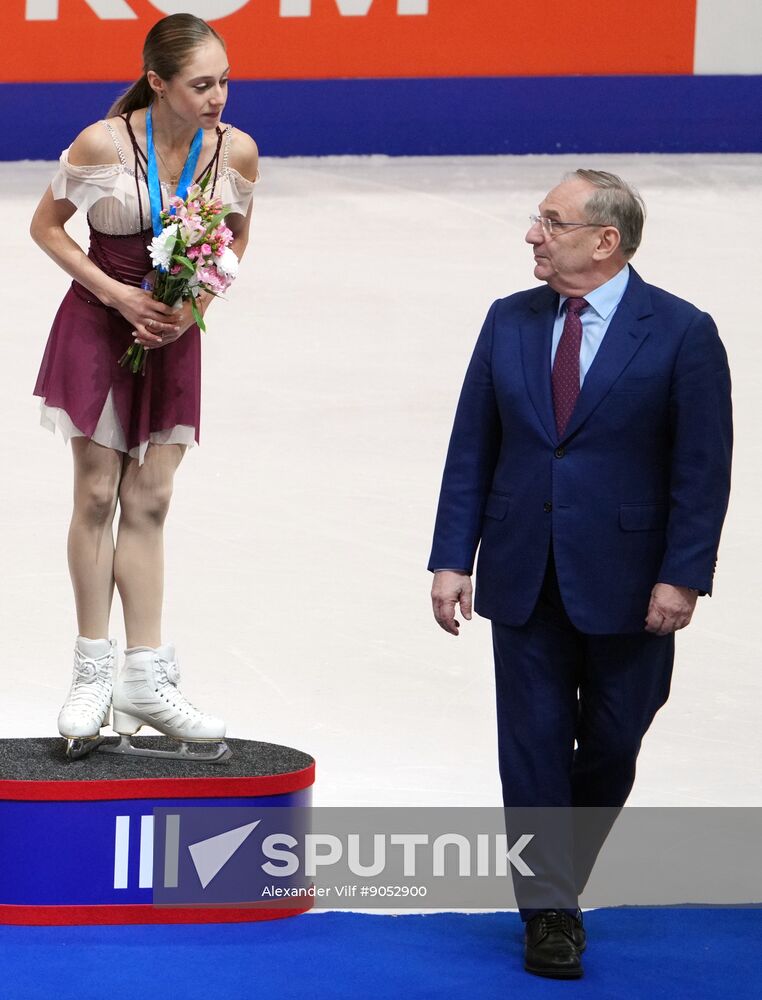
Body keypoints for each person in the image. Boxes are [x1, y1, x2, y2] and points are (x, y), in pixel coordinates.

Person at [428, 170, 732, 978]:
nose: (533, 233)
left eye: (550, 222)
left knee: (612, 740)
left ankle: (561, 863)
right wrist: (453, 556)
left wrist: (683, 576)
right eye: (537, 219)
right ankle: (550, 910)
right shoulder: (508, 322)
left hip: (632, 583)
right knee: (528, 749)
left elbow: (702, 471)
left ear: (606, 240)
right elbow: (473, 449)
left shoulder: (680, 331)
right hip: (523, 571)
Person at [30, 13, 259, 762]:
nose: (219, 96)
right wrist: (119, 296)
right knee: (97, 495)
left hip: (173, 335)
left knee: (152, 499)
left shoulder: (236, 153)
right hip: (100, 326)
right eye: (202, 84)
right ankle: (91, 668)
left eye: (224, 80)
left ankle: (145, 674)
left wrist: (191, 309)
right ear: (157, 82)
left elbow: (235, 239)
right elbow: (48, 227)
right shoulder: (103, 143)